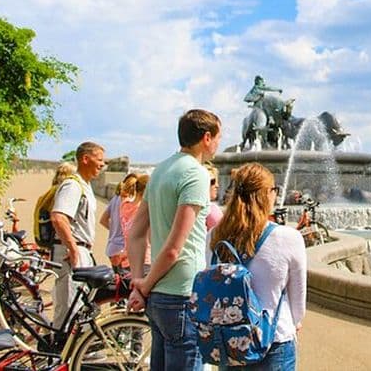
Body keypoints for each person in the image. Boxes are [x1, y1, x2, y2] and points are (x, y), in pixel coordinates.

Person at [126, 109, 221, 371]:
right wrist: (144, 286)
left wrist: (139, 282)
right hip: (183, 294)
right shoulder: (196, 174)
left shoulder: (160, 170)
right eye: (217, 138)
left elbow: (135, 233)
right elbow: (174, 249)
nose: (218, 144)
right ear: (206, 137)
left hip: (157, 297)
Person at [210, 163, 307, 370]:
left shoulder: (215, 236)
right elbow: (298, 307)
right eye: (274, 190)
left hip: (229, 342)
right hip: (274, 342)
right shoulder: (289, 238)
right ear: (266, 194)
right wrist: (294, 322)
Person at [50, 141, 104, 329]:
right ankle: (60, 344)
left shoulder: (85, 186)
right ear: (85, 159)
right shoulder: (73, 185)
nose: (102, 165)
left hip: (81, 250)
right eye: (99, 160)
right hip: (72, 252)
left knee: (78, 306)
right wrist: (73, 249)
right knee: (68, 310)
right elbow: (58, 217)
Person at [100, 173, 139, 272]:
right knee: (126, 279)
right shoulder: (131, 202)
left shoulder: (115, 198)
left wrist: (114, 229)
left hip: (112, 247)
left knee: (117, 278)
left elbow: (103, 220)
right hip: (122, 249)